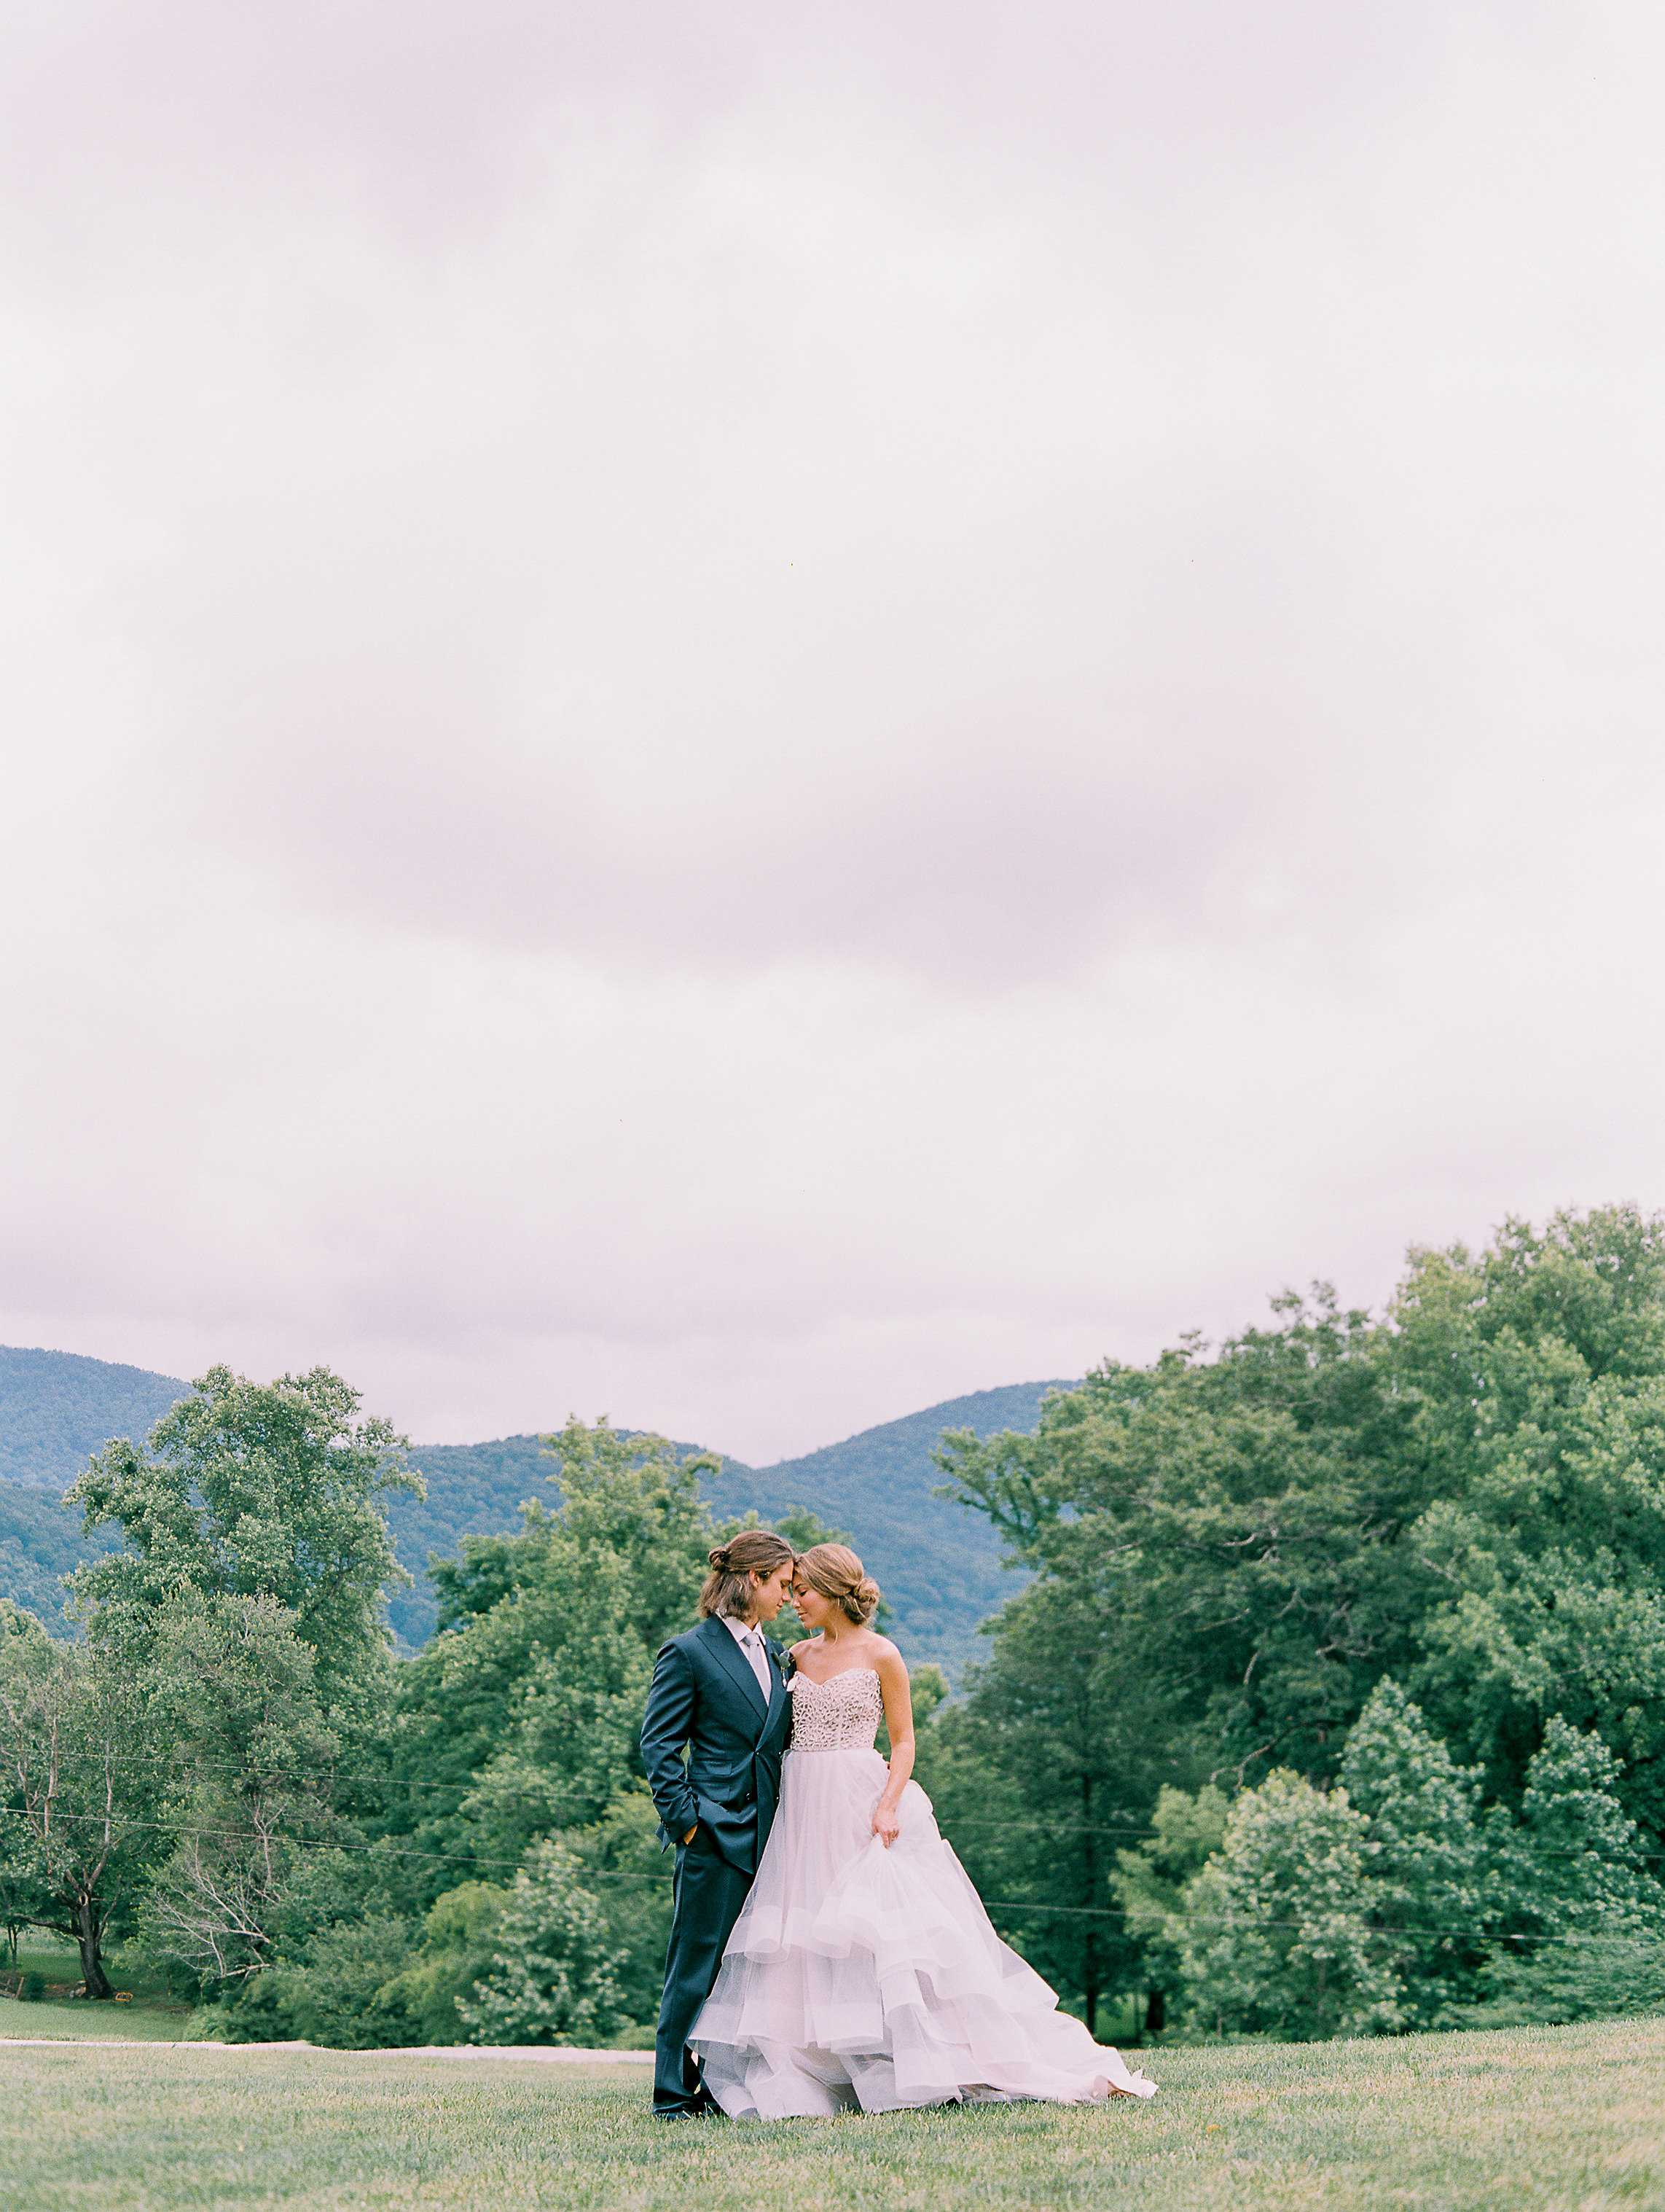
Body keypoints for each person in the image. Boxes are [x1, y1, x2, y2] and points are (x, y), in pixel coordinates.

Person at [689, 1542, 1156, 2117]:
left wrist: (888, 1803)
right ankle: (819, 2062)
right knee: (803, 1932)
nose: (792, 1600)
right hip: (801, 1805)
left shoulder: (882, 1653)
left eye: (802, 1590)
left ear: (833, 1591)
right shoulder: (795, 1656)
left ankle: (913, 2053)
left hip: (860, 1798)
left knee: (874, 1931)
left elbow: (904, 1740)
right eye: (788, 1588)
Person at [639, 1528, 797, 2118]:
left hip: (773, 1835)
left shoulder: (777, 1652)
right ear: (752, 1579)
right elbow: (658, 1748)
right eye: (782, 1584)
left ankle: (725, 2085)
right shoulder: (688, 1651)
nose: (788, 1594)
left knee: (750, 1969)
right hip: (712, 1833)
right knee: (696, 1964)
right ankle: (672, 2094)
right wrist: (688, 1823)